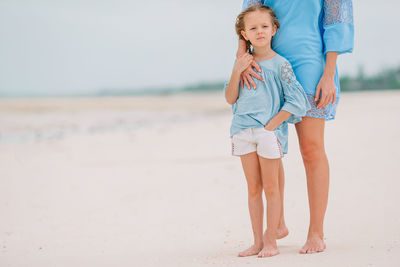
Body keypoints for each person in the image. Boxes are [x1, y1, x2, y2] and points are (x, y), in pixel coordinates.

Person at [238, 0, 354, 254]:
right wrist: (242, 59)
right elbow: (247, 15)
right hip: (267, 62)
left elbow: (335, 21)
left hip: (311, 63)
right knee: (270, 140)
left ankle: (316, 232)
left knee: (312, 148)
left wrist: (329, 72)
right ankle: (277, 224)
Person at [224, 5, 311, 257]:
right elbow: (231, 98)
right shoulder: (242, 64)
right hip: (241, 131)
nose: (259, 31)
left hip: (267, 133)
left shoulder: (280, 64)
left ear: (274, 30)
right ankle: (257, 242)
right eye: (253, 28)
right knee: (253, 189)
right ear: (244, 34)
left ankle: (271, 241)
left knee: (271, 188)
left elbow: (297, 101)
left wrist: (272, 125)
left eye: (264, 26)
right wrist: (237, 70)